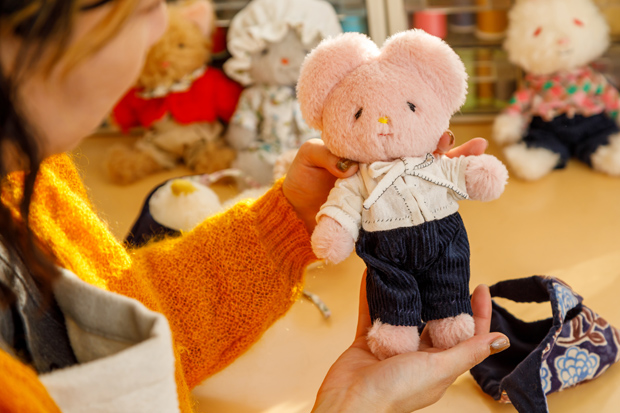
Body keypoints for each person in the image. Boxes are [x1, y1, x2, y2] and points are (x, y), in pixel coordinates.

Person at [0, 0, 509, 411]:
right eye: (142, 5)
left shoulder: (28, 170)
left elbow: (116, 318)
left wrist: (288, 220)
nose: (159, 26)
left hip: (437, 237)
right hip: (388, 256)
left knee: (447, 275)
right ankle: (398, 325)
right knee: (392, 287)